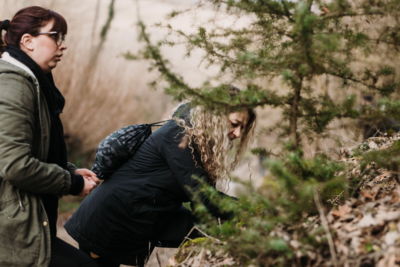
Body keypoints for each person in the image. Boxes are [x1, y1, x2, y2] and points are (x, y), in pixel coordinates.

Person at [65, 100, 256, 267]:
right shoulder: (179, 136)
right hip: (111, 219)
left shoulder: (197, 140)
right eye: (234, 124)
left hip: (140, 213)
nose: (238, 133)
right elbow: (202, 195)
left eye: (243, 128)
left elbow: (201, 204)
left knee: (205, 230)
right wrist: (251, 211)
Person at [0, 6, 99, 267]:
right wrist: (71, 184)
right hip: (11, 230)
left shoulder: (32, 81)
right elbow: (15, 165)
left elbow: (35, 151)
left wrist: (70, 171)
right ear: (28, 41)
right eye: (56, 36)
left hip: (24, 223)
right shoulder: (12, 83)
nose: (62, 45)